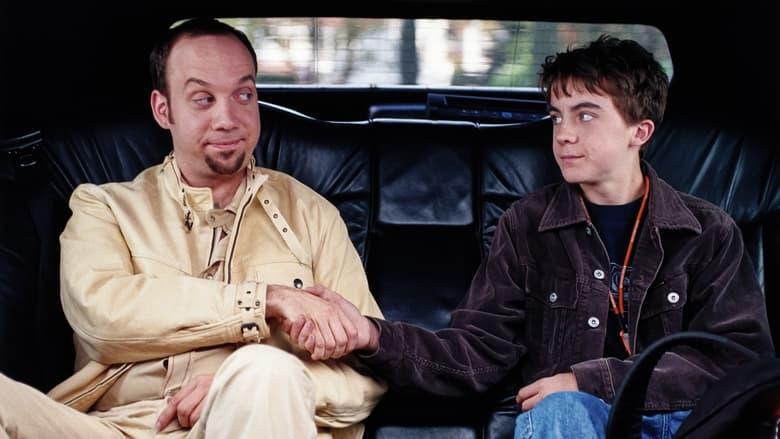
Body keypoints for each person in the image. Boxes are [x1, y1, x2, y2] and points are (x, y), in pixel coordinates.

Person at [298, 35, 775, 438]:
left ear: (640, 131)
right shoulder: (528, 226)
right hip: (574, 422)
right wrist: (371, 335)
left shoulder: (706, 231)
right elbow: (476, 353)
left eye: (585, 115)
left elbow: (737, 360)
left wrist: (589, 380)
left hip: (686, 422)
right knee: (559, 410)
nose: (563, 134)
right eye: (557, 116)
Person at [0, 18, 384, 439]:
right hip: (117, 428)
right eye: (203, 99)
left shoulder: (312, 215)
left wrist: (242, 387)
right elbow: (101, 319)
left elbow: (365, 371)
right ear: (163, 109)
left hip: (258, 420)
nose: (228, 118)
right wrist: (264, 301)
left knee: (266, 370)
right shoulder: (104, 207)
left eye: (244, 94)